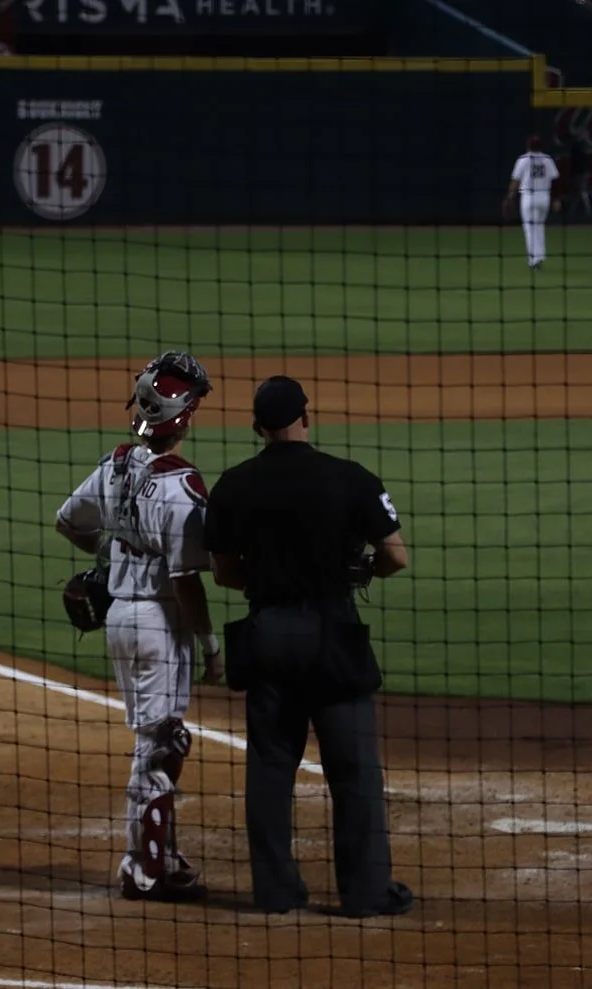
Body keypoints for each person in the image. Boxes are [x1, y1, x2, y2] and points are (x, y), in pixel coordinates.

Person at [204, 376, 413, 918]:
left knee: (270, 768)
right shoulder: (350, 478)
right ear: (307, 418)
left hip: (268, 636)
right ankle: (366, 894)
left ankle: (275, 892)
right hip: (331, 636)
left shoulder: (234, 485)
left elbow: (225, 573)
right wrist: (360, 567)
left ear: (257, 428)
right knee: (355, 772)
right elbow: (395, 556)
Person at [54, 351, 223, 903]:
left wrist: (108, 559)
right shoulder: (182, 485)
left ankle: (159, 857)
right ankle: (143, 868)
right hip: (157, 621)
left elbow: (68, 521)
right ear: (182, 416)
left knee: (160, 739)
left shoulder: (116, 463)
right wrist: (210, 644)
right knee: (160, 742)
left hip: (119, 620)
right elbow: (187, 580)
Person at [505, 134, 560, 270]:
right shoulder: (547, 159)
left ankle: (534, 260)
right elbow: (556, 181)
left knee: (530, 228)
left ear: (528, 145)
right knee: (539, 227)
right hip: (544, 197)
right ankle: (539, 256)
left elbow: (515, 181)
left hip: (529, 197)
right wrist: (556, 199)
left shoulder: (523, 159)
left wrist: (510, 196)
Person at [566, 138, 592, 219]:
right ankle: (572, 211)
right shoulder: (581, 152)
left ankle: (588, 211)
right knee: (577, 194)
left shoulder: (578, 152)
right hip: (579, 174)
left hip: (580, 174)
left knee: (581, 192)